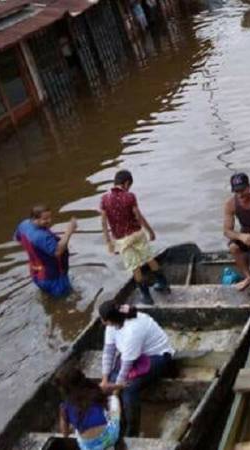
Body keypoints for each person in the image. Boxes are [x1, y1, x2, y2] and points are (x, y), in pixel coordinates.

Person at [98, 300, 175, 437]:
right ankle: (118, 421)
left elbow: (126, 366)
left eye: (103, 319)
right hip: (137, 356)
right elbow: (109, 351)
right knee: (112, 378)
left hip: (158, 357)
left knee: (129, 387)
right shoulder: (112, 325)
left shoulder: (132, 331)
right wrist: (105, 380)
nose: (102, 322)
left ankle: (132, 429)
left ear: (109, 319)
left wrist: (116, 387)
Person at [100, 170, 170, 305]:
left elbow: (103, 221)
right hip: (137, 235)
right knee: (149, 259)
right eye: (129, 185)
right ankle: (163, 284)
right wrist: (150, 231)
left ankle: (147, 297)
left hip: (122, 240)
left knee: (135, 267)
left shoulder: (104, 199)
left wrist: (108, 242)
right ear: (126, 183)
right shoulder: (130, 196)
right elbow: (138, 216)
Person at [14, 205, 77, 298]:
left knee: (47, 296)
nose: (49, 221)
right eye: (45, 219)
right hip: (53, 277)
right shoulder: (41, 236)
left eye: (49, 217)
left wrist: (35, 250)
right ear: (34, 219)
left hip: (36, 273)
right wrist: (69, 231)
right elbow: (58, 251)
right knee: (66, 300)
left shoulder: (24, 224)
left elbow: (17, 238)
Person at [55, 365, 121, 450]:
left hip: (87, 446)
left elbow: (65, 434)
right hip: (109, 438)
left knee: (77, 430)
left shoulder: (64, 407)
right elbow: (106, 388)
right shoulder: (94, 391)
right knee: (113, 399)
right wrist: (120, 386)